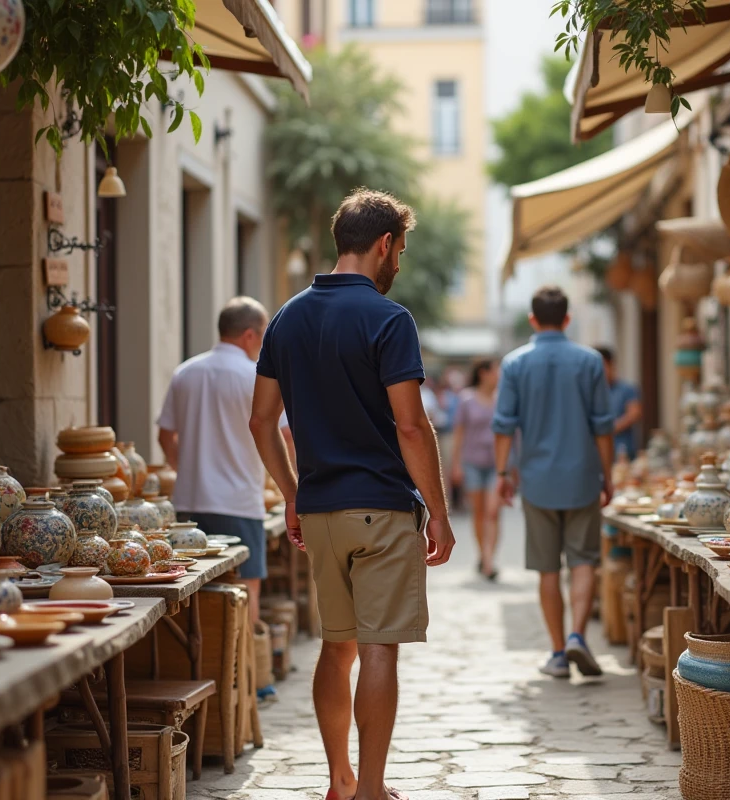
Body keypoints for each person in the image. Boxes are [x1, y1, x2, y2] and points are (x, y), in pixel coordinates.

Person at [249, 187, 455, 800]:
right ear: (384, 244)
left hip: (320, 514)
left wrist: (291, 493)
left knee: (336, 649)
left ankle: (339, 780)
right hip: (382, 511)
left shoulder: (286, 318)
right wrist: (439, 513)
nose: (399, 264)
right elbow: (411, 427)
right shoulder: (389, 320)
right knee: (378, 650)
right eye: (401, 251)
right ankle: (370, 790)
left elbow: (261, 420)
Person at [492, 286, 615, 678]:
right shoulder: (590, 361)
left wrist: (502, 473)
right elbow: (603, 427)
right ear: (567, 318)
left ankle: (558, 653)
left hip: (537, 480)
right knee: (583, 561)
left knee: (547, 569)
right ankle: (578, 634)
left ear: (532, 319)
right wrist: (608, 476)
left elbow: (503, 425)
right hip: (582, 478)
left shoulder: (514, 363)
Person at [157, 296, 283, 627]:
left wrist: (185, 470)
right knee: (245, 586)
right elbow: (284, 435)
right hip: (238, 502)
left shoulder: (185, 372)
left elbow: (165, 435)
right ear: (250, 335)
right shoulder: (257, 376)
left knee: (192, 592)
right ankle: (245, 660)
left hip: (189, 502)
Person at [450, 359, 501, 580]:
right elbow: (458, 433)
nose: (499, 375)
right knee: (479, 513)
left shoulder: (502, 398)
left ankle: (489, 560)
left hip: (497, 464)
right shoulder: (466, 399)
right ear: (483, 373)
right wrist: (456, 465)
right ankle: (483, 554)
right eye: (496, 370)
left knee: (493, 512)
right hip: (472, 463)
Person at [596, 346, 643, 460]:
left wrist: (609, 428)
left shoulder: (626, 389)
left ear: (611, 365)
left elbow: (634, 413)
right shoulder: (594, 392)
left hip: (623, 450)